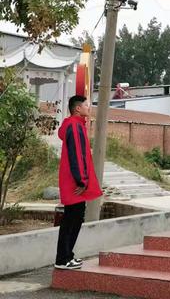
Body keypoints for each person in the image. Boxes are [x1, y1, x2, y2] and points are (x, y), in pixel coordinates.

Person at [55, 95, 102, 270]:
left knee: (73, 218)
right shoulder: (75, 126)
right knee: (72, 219)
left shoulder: (75, 125)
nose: (89, 107)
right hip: (74, 182)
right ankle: (63, 259)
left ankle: (67, 256)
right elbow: (77, 155)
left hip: (72, 180)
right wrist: (81, 180)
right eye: (86, 105)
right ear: (77, 109)